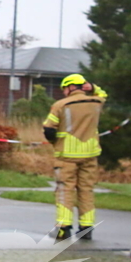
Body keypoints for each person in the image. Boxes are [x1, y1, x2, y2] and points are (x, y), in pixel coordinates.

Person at [43, 73, 107, 241]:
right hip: (90, 154)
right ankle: (86, 228)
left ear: (70, 87)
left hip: (67, 156)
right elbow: (103, 94)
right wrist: (92, 87)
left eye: (64, 88)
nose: (63, 91)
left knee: (65, 190)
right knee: (86, 190)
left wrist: (55, 142)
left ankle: (63, 228)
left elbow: (49, 129)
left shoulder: (60, 105)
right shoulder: (97, 102)